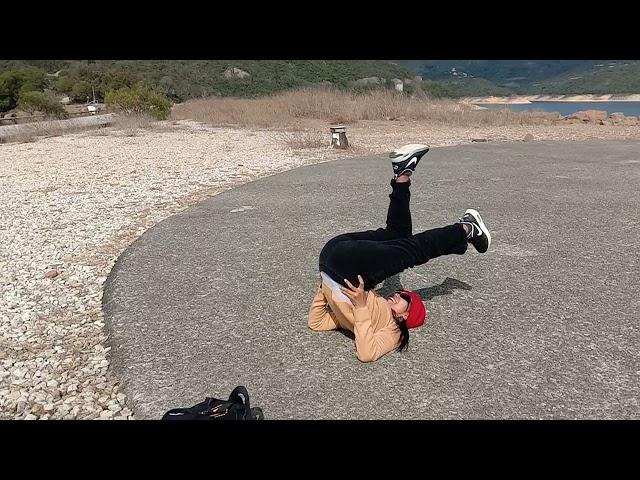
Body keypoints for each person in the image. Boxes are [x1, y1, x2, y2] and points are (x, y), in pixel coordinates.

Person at [308, 144, 491, 362]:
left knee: (414, 249)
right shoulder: (378, 313)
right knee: (398, 235)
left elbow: (320, 325)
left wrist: (326, 290)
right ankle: (402, 174)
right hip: (342, 257)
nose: (400, 293)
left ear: (405, 316)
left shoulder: (392, 331)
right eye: (405, 294)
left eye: (406, 298)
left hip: (336, 265)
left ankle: (467, 228)